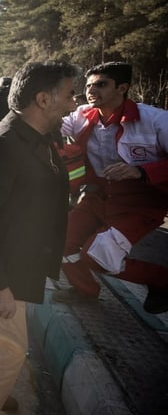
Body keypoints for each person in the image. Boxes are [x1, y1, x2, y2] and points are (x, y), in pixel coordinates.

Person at [0, 61, 80, 414]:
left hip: (12, 262)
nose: (74, 103)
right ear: (43, 99)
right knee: (9, 349)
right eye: (70, 94)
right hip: (4, 270)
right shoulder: (1, 144)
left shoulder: (38, 137)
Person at [51, 62, 168, 314]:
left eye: (101, 84)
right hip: (96, 197)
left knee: (98, 255)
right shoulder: (81, 115)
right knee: (59, 241)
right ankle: (85, 291)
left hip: (140, 204)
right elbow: (49, 124)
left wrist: (142, 171)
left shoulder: (156, 120)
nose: (92, 90)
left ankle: (162, 280)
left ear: (122, 88)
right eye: (89, 85)